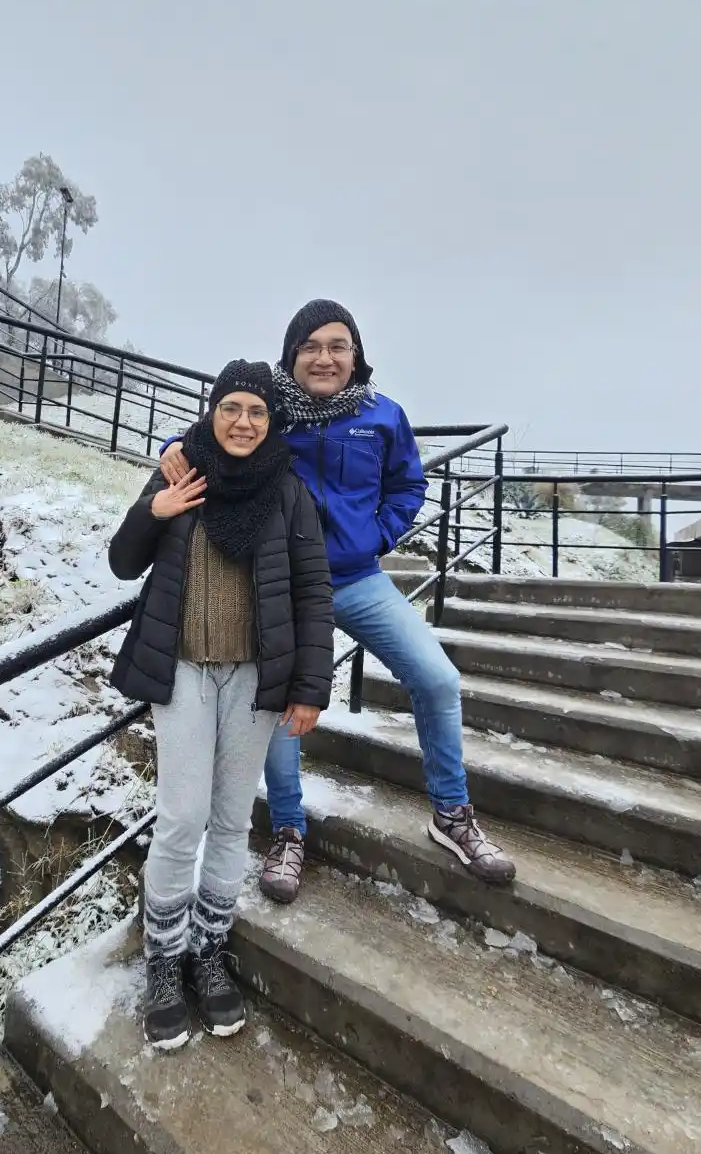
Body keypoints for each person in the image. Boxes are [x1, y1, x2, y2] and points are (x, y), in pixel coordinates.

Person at [160, 300, 516, 902]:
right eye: (311, 346)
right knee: (278, 707)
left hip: (357, 579)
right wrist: (174, 441)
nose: (324, 357)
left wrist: (379, 535)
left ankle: (452, 814)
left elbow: (408, 484)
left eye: (338, 345)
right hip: (283, 586)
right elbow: (220, 433)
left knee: (437, 680)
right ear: (292, 354)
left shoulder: (383, 415)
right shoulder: (272, 411)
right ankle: (289, 829)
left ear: (355, 355)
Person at [108, 359, 333, 1050]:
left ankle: (209, 949)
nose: (243, 421)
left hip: (254, 679)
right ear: (212, 411)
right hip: (181, 674)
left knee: (233, 818)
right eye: (231, 407)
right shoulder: (180, 473)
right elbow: (123, 560)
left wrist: (310, 687)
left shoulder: (289, 491)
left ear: (271, 421)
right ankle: (164, 960)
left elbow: (311, 591)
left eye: (257, 411)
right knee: (182, 818)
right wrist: (155, 510)